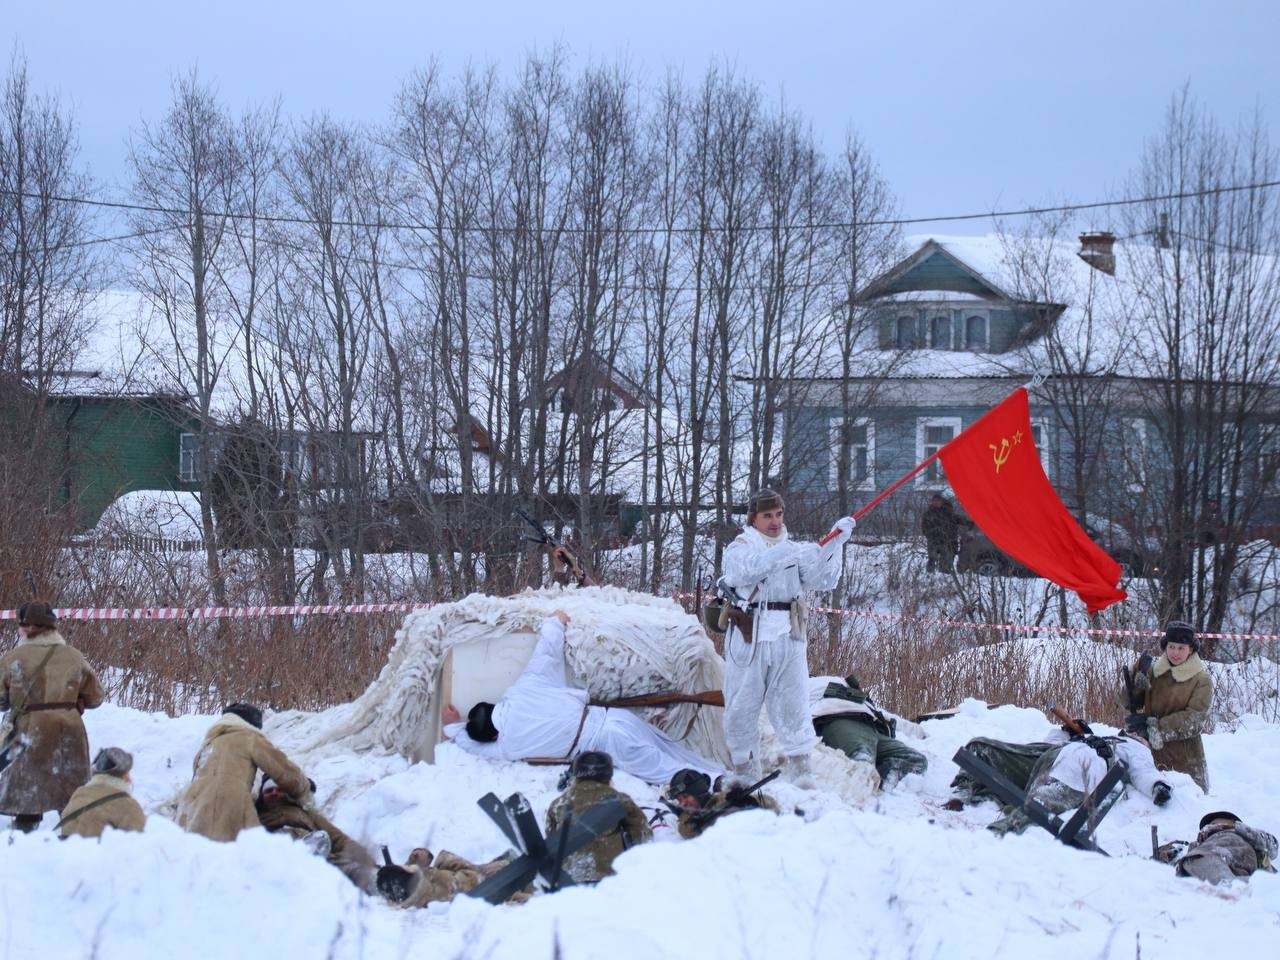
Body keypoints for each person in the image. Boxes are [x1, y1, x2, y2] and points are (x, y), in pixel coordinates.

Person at [443, 611, 723, 785]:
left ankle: (722, 785)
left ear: (493, 737)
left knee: (668, 773)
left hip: (608, 743)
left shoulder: (507, 747)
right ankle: (722, 777)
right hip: (615, 719)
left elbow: (474, 748)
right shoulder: (525, 691)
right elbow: (546, 652)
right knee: (674, 753)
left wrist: (453, 727)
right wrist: (555, 621)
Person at [720, 488, 854, 787]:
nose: (775, 521)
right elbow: (747, 572)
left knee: (794, 703)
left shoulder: (793, 548)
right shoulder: (740, 547)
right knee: (742, 704)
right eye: (767, 515)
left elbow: (822, 579)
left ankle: (802, 770)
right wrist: (786, 552)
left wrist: (835, 543)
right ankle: (744, 769)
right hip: (749, 635)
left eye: (778, 514)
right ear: (753, 518)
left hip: (789, 634)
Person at [0, 601, 105, 832]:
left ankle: (25, 842)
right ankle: (75, 844)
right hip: (70, 732)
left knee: (28, 792)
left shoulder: (13, 658)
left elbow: (1, 700)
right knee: (70, 793)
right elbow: (96, 698)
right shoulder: (75, 656)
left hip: (29, 732)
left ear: (27, 628)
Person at [986, 718, 1172, 836]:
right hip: (1068, 762)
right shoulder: (1122, 742)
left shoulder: (1125, 744)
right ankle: (990, 820)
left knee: (1038, 801)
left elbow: (1144, 771)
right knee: (1038, 804)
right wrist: (1067, 732)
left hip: (1067, 764)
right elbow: (1144, 771)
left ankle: (996, 833)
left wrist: (1158, 785)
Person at [176, 702, 312, 842]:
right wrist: (304, 788)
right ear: (253, 724)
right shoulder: (249, 737)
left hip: (190, 807)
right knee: (244, 852)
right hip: (227, 802)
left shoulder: (208, 744)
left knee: (198, 855)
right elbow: (282, 769)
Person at [1128, 620, 1213, 791]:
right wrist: (1134, 679)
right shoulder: (1154, 671)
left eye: (1181, 648)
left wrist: (1155, 729)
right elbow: (1129, 702)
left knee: (1185, 810)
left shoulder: (1201, 679)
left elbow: (1194, 720)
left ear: (1191, 649)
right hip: (1151, 757)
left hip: (1185, 761)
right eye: (1172, 646)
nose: (1175, 652)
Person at [544, 750, 652, 883]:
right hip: (608, 879)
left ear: (576, 774)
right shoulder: (620, 801)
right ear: (608, 775)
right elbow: (643, 835)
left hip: (568, 880)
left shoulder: (558, 804)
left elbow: (551, 839)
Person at [256, 777, 377, 892]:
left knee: (347, 867)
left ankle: (378, 882)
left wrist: (367, 860)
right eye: (269, 791)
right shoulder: (255, 815)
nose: (274, 793)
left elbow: (338, 838)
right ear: (262, 796)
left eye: (279, 790)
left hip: (321, 854)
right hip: (278, 855)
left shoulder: (307, 814)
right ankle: (307, 853)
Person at [809, 675, 927, 791]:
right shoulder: (806, 685)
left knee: (917, 760)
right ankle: (871, 793)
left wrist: (919, 732)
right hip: (838, 721)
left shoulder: (843, 683)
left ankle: (885, 780)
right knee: (862, 762)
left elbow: (883, 714)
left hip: (872, 726)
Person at [377, 846, 527, 907]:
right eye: (406, 867)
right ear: (408, 873)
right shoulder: (442, 890)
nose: (407, 865)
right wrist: (444, 862)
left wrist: (416, 861)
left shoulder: (411, 893)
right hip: (509, 883)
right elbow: (474, 877)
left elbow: (409, 882)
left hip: (496, 875)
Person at [665, 767, 780, 839]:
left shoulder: (724, 799)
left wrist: (751, 802)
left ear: (697, 792)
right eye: (679, 800)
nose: (683, 803)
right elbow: (686, 830)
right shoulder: (690, 818)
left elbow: (772, 805)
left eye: (686, 796)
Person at [57, 747, 146, 839]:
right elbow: (143, 840)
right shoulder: (127, 804)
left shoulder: (79, 794)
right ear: (123, 776)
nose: (130, 780)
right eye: (127, 774)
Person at [1174, 811, 1277, 885]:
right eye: (1208, 826)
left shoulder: (1250, 834)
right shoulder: (1198, 846)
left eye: (1214, 823)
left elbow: (1273, 846)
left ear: (1232, 821)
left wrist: (1239, 828)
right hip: (1210, 862)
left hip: (1240, 876)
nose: (1209, 827)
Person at [921, 494, 962, 573]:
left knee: (946, 561)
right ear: (932, 502)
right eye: (934, 501)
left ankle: (944, 575)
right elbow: (924, 528)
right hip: (934, 542)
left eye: (938, 501)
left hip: (948, 542)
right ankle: (929, 576)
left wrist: (971, 523)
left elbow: (958, 519)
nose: (936, 503)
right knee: (932, 560)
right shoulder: (928, 514)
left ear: (942, 502)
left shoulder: (948, 512)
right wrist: (932, 536)